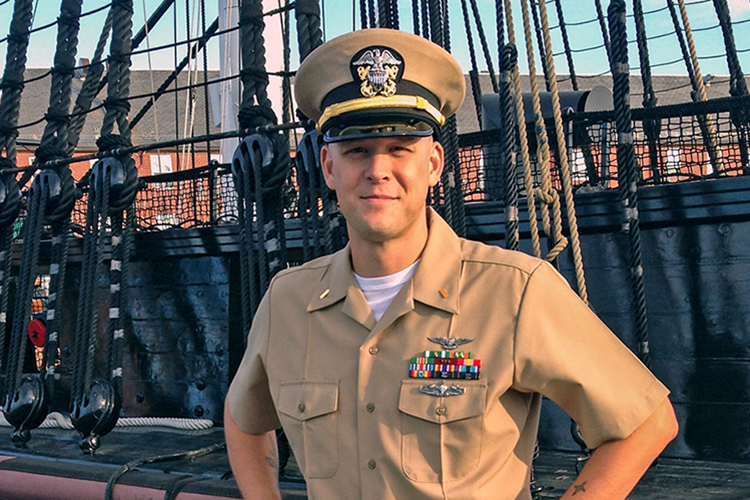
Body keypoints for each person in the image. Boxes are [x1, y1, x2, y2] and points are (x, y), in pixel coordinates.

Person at [224, 28, 678, 500]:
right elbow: (243, 420)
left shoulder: (514, 291)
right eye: (357, 150)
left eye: (400, 149)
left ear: (435, 163)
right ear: (329, 167)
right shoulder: (289, 301)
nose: (378, 169)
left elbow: (645, 422)